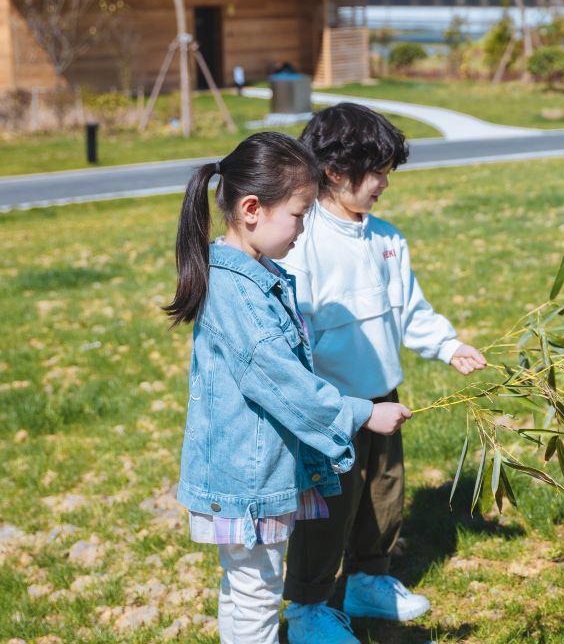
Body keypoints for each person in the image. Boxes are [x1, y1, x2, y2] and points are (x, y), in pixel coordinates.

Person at [166, 131, 411, 644]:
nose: (303, 230)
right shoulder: (240, 294)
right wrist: (364, 414)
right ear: (252, 208)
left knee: (246, 589)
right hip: (249, 481)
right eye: (299, 215)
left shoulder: (251, 276)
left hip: (251, 473)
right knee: (256, 592)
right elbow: (288, 386)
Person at [278, 104, 487, 644]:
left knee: (382, 495)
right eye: (377, 172)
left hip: (384, 399)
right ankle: (307, 607)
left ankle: (369, 579)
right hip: (331, 408)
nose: (385, 184)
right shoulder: (304, 244)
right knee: (327, 508)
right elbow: (294, 334)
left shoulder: (387, 240)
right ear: (335, 172)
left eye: (389, 170)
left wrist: (448, 345)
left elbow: (410, 308)